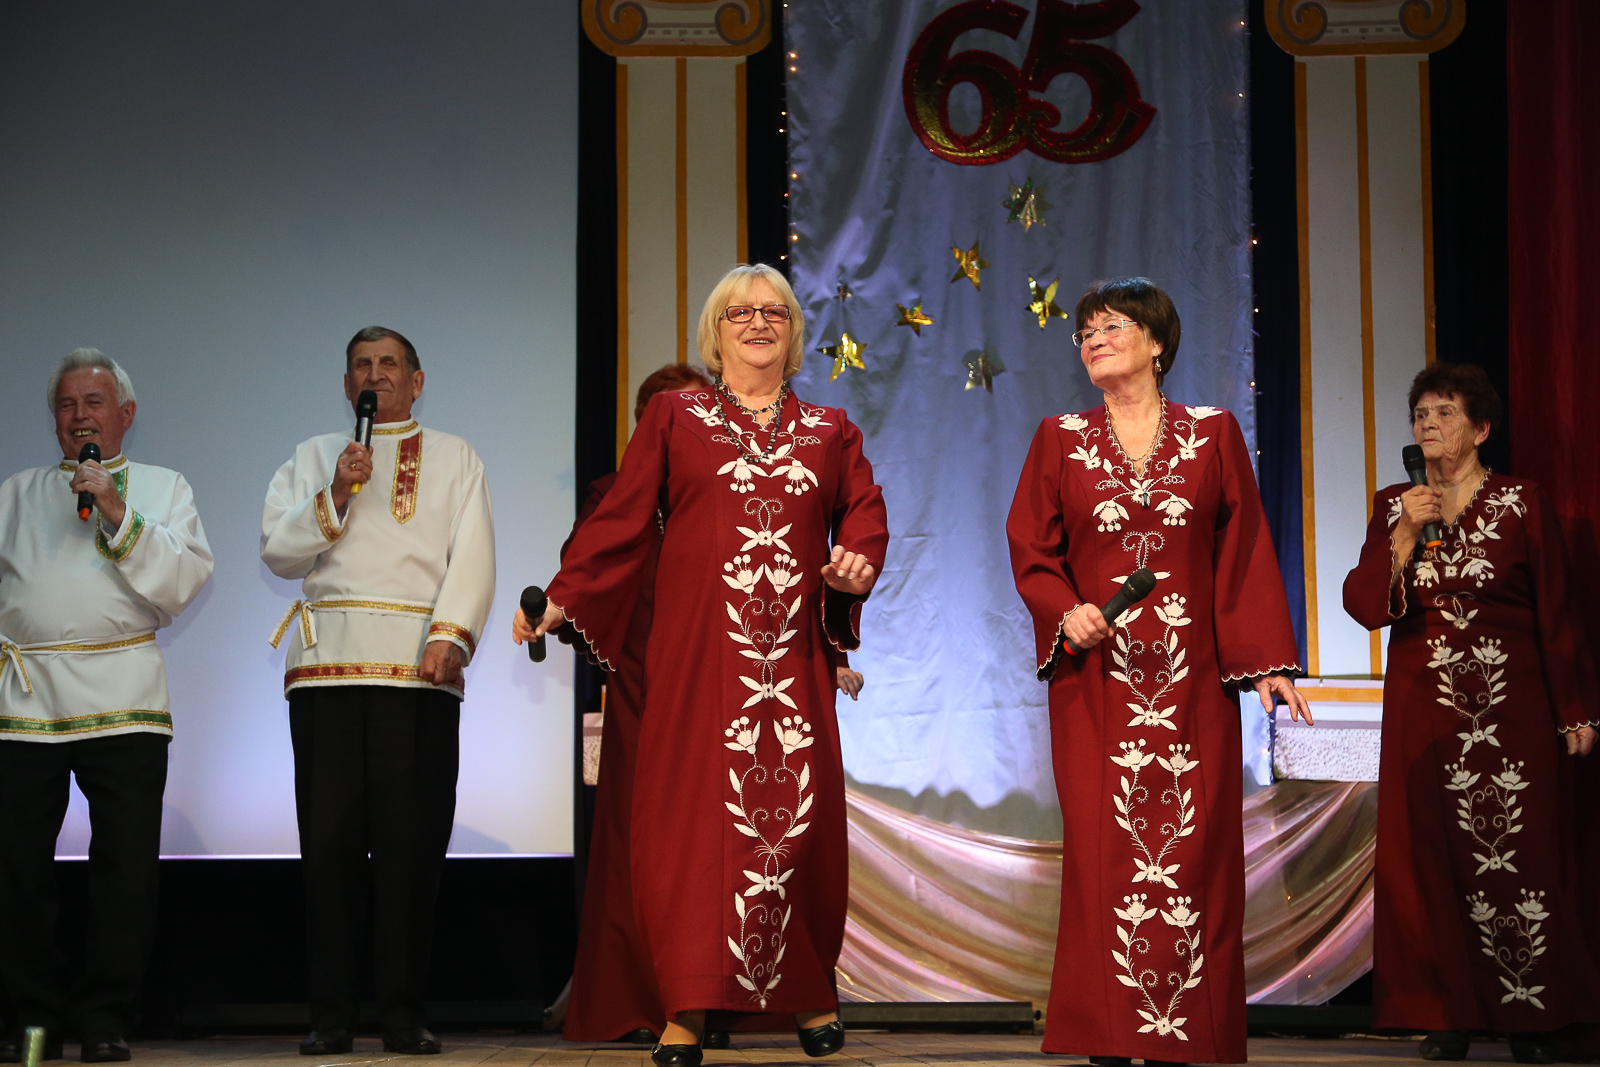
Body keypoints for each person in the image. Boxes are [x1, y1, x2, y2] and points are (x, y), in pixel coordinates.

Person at [514, 264, 888, 1067]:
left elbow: (862, 510)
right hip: (694, 661)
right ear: (715, 333)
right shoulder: (675, 416)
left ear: (794, 332)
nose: (758, 322)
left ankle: (809, 992)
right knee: (690, 833)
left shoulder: (831, 430)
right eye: (739, 312)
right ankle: (684, 1005)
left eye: (774, 312)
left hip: (791, 662)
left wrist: (856, 561)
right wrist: (564, 598)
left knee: (797, 826)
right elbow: (620, 518)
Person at [1006, 278, 1310, 1067]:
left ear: (1156, 342)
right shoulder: (1059, 437)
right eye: (1085, 331)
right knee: (1103, 855)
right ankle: (1107, 1033)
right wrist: (1066, 610)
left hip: (1191, 686)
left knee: (1195, 852)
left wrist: (1266, 661)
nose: (1094, 338)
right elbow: (1032, 547)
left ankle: (1187, 1033)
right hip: (1096, 684)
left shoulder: (1213, 433)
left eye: (1113, 325)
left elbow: (1243, 551)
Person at [1343, 362, 1600, 1064]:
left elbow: (1557, 609)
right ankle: (1445, 1013)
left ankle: (1531, 1018)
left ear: (1481, 428)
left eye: (1445, 412)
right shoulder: (1396, 503)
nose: (1428, 423)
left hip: (1513, 708)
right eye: (1420, 413)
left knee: (1522, 858)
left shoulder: (1521, 500)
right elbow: (1363, 605)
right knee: (1429, 862)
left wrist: (1576, 708)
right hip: (1424, 712)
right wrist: (1402, 536)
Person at [261, 326, 495, 1058]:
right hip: (328, 672)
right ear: (346, 384)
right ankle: (331, 1015)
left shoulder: (455, 455)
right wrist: (336, 489)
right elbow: (278, 551)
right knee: (328, 853)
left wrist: (451, 635)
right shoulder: (312, 456)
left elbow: (474, 552)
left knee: (410, 853)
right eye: (361, 365)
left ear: (416, 382)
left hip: (415, 676)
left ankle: (401, 1013)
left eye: (389, 363)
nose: (375, 375)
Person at [0, 349, 214, 1064]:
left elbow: (181, 584)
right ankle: (32, 1017)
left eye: (94, 402)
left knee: (125, 868)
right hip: (26, 698)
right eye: (67, 404)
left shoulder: (163, 486)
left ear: (125, 414)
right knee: (17, 867)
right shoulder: (16, 493)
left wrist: (117, 511)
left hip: (124, 697)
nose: (80, 416)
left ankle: (106, 1018)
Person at [559, 362, 712, 1044]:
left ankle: (709, 997)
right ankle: (637, 1000)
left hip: (723, 691)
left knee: (716, 845)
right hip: (643, 692)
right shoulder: (615, 495)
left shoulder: (736, 490)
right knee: (634, 841)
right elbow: (583, 572)